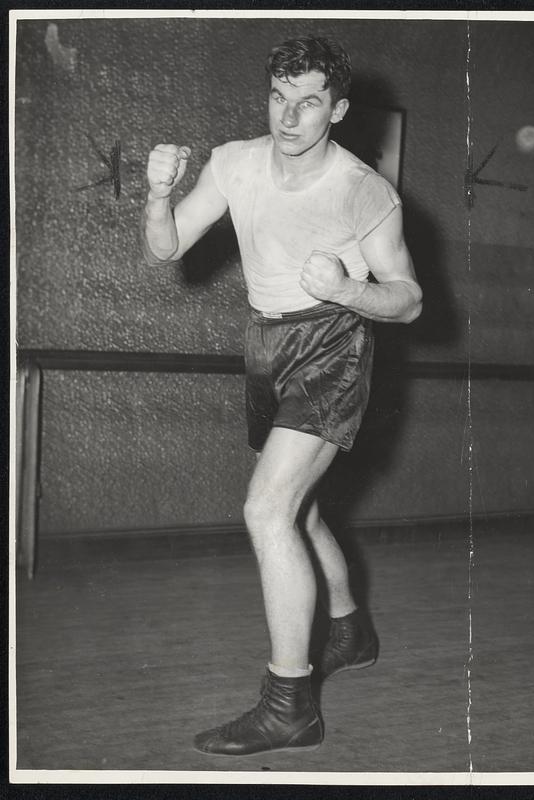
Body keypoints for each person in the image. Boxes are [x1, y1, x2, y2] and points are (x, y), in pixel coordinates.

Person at [142, 35, 422, 757]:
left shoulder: (364, 189)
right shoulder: (235, 162)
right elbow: (165, 249)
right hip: (267, 344)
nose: (289, 117)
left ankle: (289, 703)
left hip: (335, 342)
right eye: (278, 98)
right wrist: (157, 193)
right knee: (302, 506)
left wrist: (348, 289)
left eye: (307, 103)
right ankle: (350, 631)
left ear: (337, 109)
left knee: (265, 507)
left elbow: (411, 301)